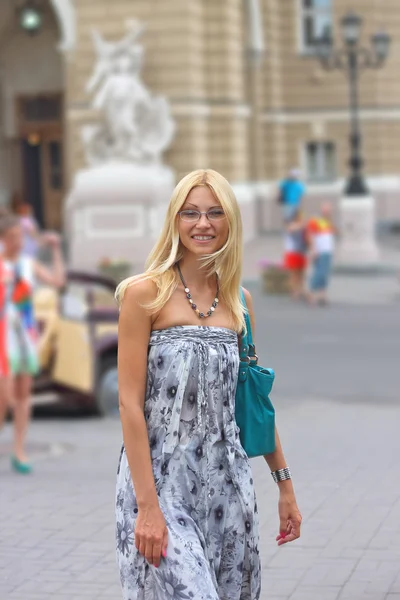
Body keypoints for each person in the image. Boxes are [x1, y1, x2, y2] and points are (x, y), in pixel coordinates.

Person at [115, 169, 302, 600]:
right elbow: (128, 403)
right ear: (174, 221)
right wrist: (147, 507)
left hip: (228, 487)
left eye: (215, 212)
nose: (203, 223)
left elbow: (251, 399)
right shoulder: (144, 295)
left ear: (231, 222)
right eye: (191, 213)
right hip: (161, 484)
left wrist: (285, 487)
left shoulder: (240, 303)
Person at [0, 213, 65, 473]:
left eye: (20, 236)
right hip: (3, 333)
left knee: (24, 395)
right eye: (12, 237)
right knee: (4, 396)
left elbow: (57, 281)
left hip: (25, 335)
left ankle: (19, 450)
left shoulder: (29, 263)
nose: (17, 241)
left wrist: (56, 250)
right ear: (3, 239)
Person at [307, 202, 336, 306]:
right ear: (322, 210)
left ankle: (322, 295)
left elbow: (329, 237)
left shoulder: (328, 222)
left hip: (328, 251)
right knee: (319, 273)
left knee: (325, 274)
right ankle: (311, 294)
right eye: (326, 209)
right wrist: (313, 250)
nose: (328, 212)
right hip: (320, 251)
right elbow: (310, 235)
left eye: (329, 210)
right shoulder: (315, 220)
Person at [283, 209, 308, 300]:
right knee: (294, 273)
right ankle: (294, 291)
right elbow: (292, 229)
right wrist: (303, 224)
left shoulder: (301, 226)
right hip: (292, 252)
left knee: (301, 273)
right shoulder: (292, 225)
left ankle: (300, 289)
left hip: (301, 252)